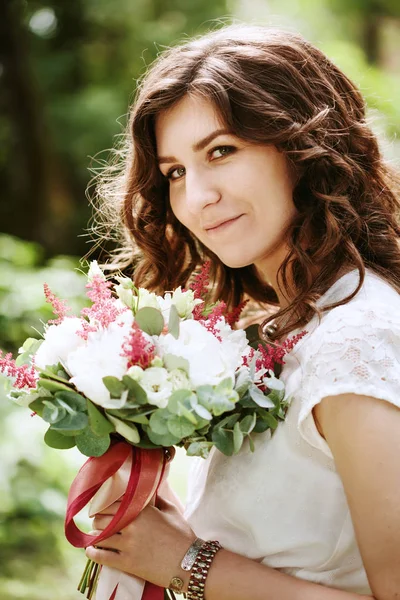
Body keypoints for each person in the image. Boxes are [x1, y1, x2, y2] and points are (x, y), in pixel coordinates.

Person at [85, 24, 400, 599]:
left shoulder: (357, 339)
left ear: (305, 149)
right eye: (176, 171)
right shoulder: (284, 322)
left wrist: (185, 561)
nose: (196, 197)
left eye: (222, 151)